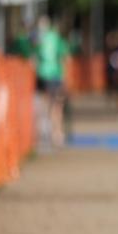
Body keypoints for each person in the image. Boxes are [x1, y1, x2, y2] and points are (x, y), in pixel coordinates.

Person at [33, 15, 69, 148]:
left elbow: (35, 57)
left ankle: (47, 132)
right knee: (57, 106)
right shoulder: (55, 38)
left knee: (45, 105)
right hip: (54, 76)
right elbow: (63, 57)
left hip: (42, 75)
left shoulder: (39, 38)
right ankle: (57, 133)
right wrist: (65, 77)